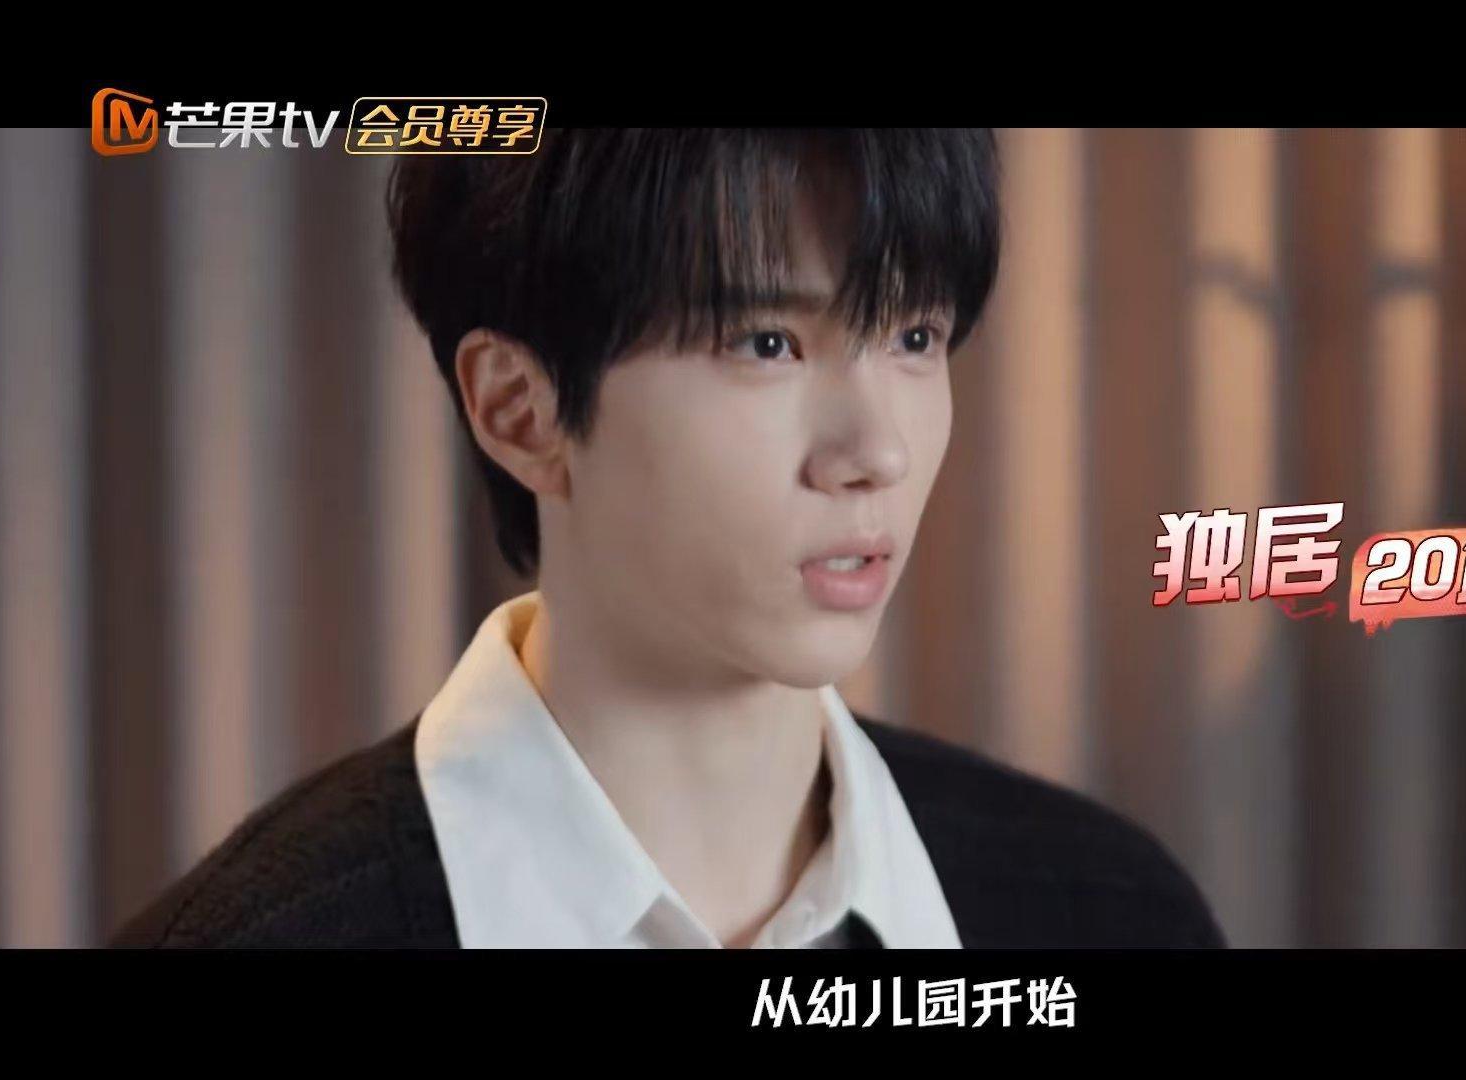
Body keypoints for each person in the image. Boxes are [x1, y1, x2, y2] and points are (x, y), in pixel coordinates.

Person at [112, 128, 1224, 948]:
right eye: (767, 343)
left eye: (914, 335)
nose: (875, 451)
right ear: (521, 410)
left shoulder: (1106, 911)